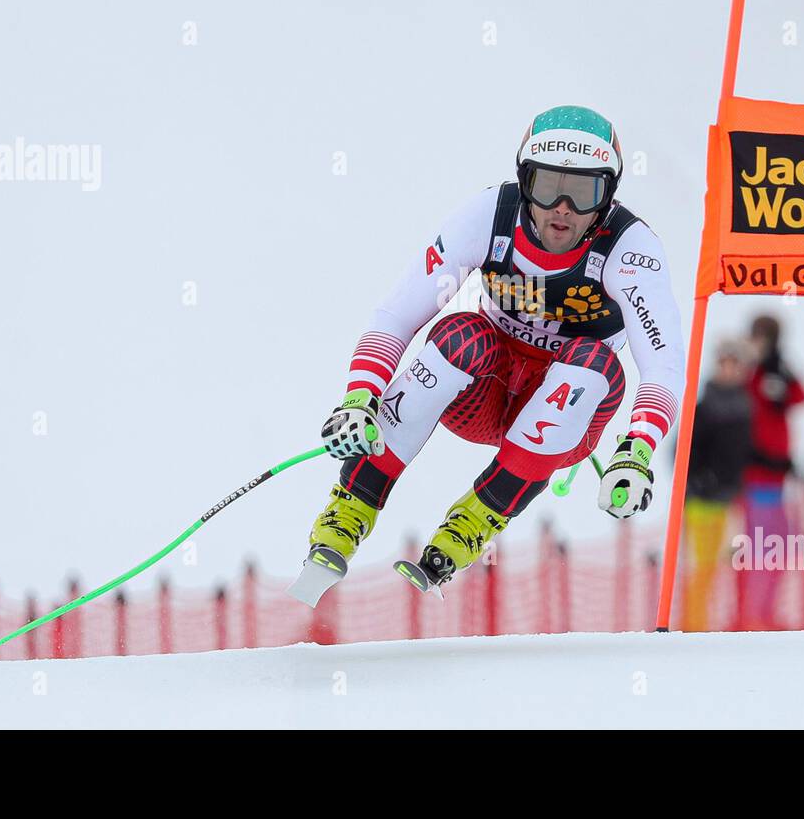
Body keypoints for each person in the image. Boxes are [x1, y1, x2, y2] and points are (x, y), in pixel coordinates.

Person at [289, 105, 685, 605]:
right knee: (459, 333)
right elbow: (397, 316)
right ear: (524, 181)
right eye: (547, 187)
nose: (562, 208)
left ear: (607, 196)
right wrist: (358, 398)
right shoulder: (488, 216)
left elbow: (664, 367)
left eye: (584, 192)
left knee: (595, 363)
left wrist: (638, 451)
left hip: (567, 415)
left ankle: (474, 521)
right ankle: (350, 509)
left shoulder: (631, 249)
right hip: (484, 392)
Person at [678, 338, 752, 632]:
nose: (730, 370)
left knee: (725, 563)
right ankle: (694, 625)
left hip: (731, 498)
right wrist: (699, 479)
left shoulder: (744, 405)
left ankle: (713, 622)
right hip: (702, 501)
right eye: (725, 363)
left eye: (735, 364)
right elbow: (684, 450)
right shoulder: (706, 406)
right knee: (702, 566)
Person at [739, 313, 804, 630]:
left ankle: (765, 612)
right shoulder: (745, 372)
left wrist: (781, 379)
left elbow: (802, 396)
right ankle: (756, 614)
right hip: (755, 475)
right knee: (764, 547)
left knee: (779, 545)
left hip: (776, 475)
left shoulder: (776, 371)